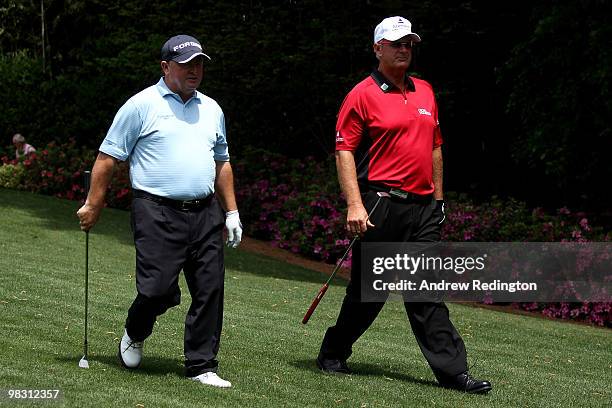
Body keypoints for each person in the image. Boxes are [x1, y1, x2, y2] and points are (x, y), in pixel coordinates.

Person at [315, 17, 492, 394]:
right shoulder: (361, 94)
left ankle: (453, 373)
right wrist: (354, 205)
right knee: (369, 293)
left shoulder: (426, 90)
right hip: (381, 206)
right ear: (378, 48)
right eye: (396, 43)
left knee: (425, 291)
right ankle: (333, 350)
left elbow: (435, 146)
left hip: (423, 209)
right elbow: (343, 149)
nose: (404, 49)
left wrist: (439, 200)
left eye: (409, 43)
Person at [76, 34, 242, 388]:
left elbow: (222, 162)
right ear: (166, 67)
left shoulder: (212, 109)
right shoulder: (141, 105)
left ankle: (202, 365)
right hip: (156, 211)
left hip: (205, 212)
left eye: (199, 63)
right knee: (157, 291)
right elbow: (107, 159)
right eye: (186, 64)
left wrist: (232, 212)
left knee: (210, 289)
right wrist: (94, 204)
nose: (194, 70)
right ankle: (134, 333)